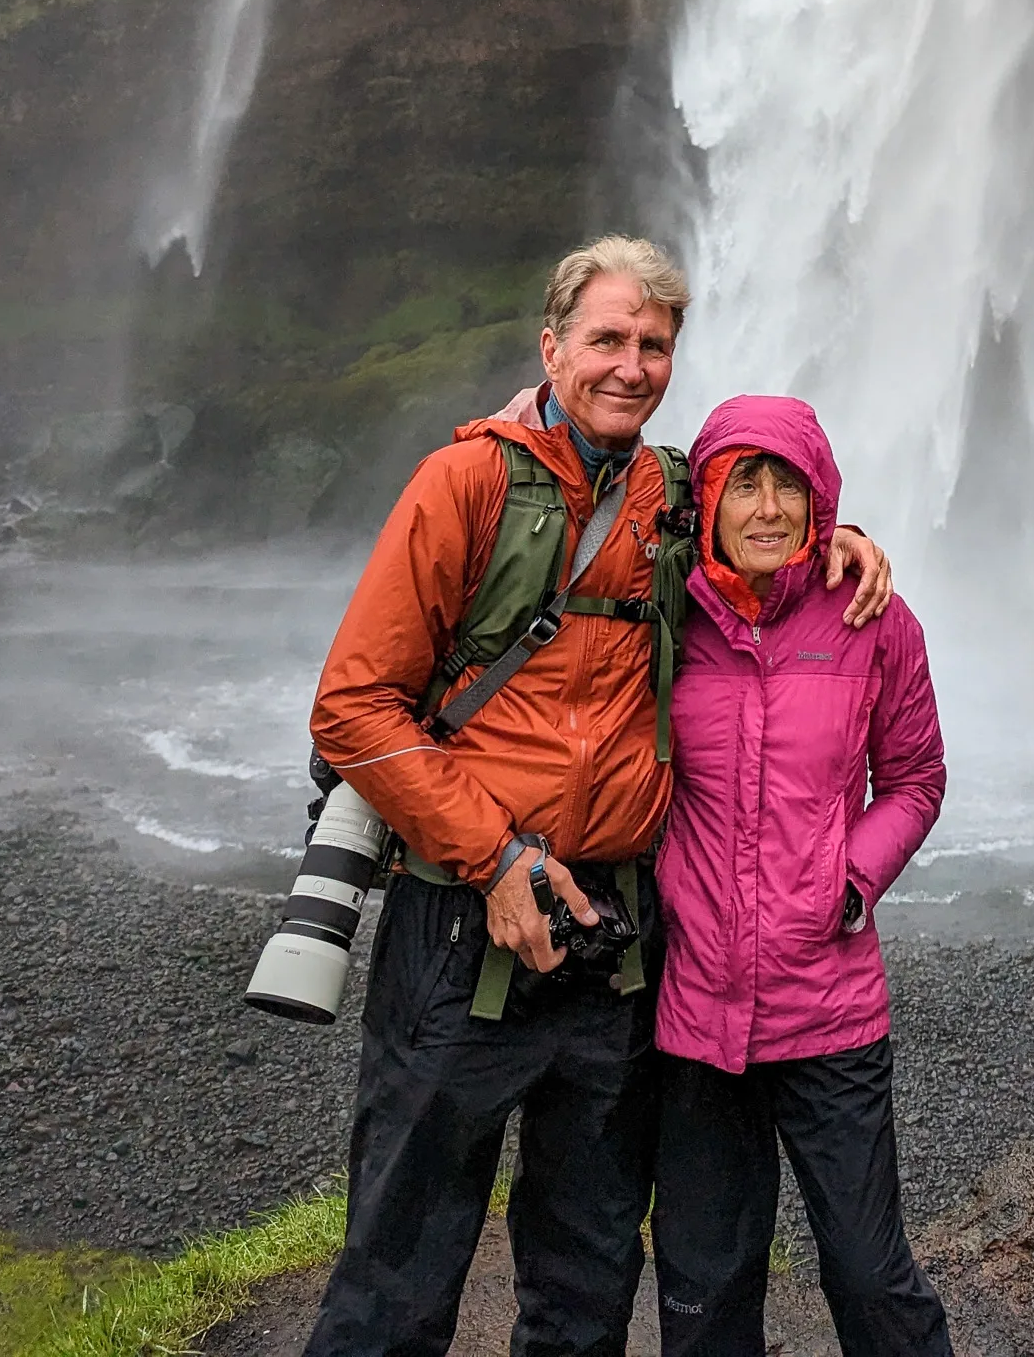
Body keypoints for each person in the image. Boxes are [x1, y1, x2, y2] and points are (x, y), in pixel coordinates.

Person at [297, 239, 894, 1357]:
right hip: (461, 934)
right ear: (552, 346)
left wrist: (841, 542)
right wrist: (497, 859)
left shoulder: (671, 495)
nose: (631, 365)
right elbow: (353, 706)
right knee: (400, 1264)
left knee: (589, 1271)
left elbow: (755, 526)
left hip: (611, 952)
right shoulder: (465, 483)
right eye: (607, 339)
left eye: (653, 345)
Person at [651, 394, 950, 1357]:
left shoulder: (873, 618)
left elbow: (913, 779)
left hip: (828, 1008)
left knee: (869, 1275)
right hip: (694, 1012)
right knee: (703, 1285)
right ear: (706, 497)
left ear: (821, 499)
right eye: (744, 482)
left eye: (789, 482)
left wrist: (849, 883)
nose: (768, 506)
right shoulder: (658, 613)